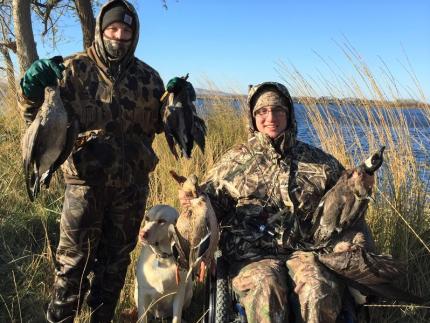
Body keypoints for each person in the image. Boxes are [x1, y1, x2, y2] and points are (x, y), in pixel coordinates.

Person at [18, 1, 165, 322]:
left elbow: (164, 124)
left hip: (131, 191)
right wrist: (29, 92)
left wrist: (180, 101)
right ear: (101, 29)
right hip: (84, 188)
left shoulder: (150, 79)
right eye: (113, 28)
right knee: (71, 265)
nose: (119, 35)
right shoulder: (70, 69)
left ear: (134, 34)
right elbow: (36, 122)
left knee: (114, 267)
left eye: (126, 30)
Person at [179, 82, 375, 323]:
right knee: (267, 287)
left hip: (307, 252)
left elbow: (345, 210)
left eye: (278, 109)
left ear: (289, 113)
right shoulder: (233, 161)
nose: (270, 117)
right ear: (253, 118)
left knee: (317, 288)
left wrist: (361, 187)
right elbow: (208, 208)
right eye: (262, 111)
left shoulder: (320, 162)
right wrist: (193, 201)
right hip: (251, 256)